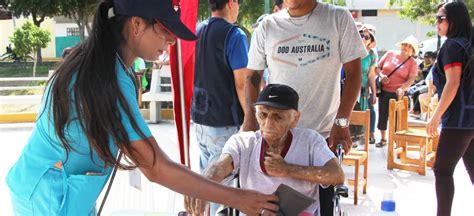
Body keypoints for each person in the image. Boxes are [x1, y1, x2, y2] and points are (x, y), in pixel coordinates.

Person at [5, 0, 279, 215]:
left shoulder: (104, 63)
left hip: (57, 188)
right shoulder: (108, 76)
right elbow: (155, 166)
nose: (171, 42)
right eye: (165, 30)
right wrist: (239, 198)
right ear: (136, 25)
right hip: (48, 196)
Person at [242, 0, 367, 214]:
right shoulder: (267, 26)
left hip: (321, 139)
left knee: (321, 207)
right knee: (271, 209)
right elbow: (252, 77)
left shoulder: (338, 18)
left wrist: (342, 121)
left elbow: (354, 76)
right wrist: (250, 121)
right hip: (276, 139)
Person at [185, 84, 345, 216]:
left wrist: (287, 170)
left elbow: (337, 175)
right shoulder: (243, 142)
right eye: (263, 115)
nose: (268, 124)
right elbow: (219, 166)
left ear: (295, 119)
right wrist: (203, 182)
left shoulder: (310, 141)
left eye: (278, 117)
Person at [190, 0, 250, 214]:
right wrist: (251, 120)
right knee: (220, 193)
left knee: (207, 185)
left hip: (200, 119)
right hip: (225, 123)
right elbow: (242, 84)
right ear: (232, 2)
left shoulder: (197, 30)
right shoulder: (235, 35)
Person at [426, 2, 474, 215]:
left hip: (459, 120)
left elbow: (453, 83)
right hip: (469, 119)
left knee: (443, 171)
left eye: (440, 18)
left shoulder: (452, 46)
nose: (436, 23)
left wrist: (435, 117)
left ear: (454, 20)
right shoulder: (469, 44)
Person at [375, 35, 419, 147]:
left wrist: (402, 88)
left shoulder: (412, 63)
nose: (406, 47)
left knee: (396, 118)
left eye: (409, 46)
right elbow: (378, 67)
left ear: (412, 51)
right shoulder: (390, 53)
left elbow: (411, 79)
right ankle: (383, 138)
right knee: (383, 114)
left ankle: (396, 140)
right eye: (405, 44)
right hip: (385, 90)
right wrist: (382, 75)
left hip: (398, 93)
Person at [359, 24, 378, 145]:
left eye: (367, 37)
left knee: (367, 110)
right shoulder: (351, 50)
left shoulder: (372, 55)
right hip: (350, 86)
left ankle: (366, 135)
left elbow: (371, 75)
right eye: (361, 35)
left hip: (364, 88)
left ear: (370, 41)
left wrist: (374, 93)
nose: (363, 39)